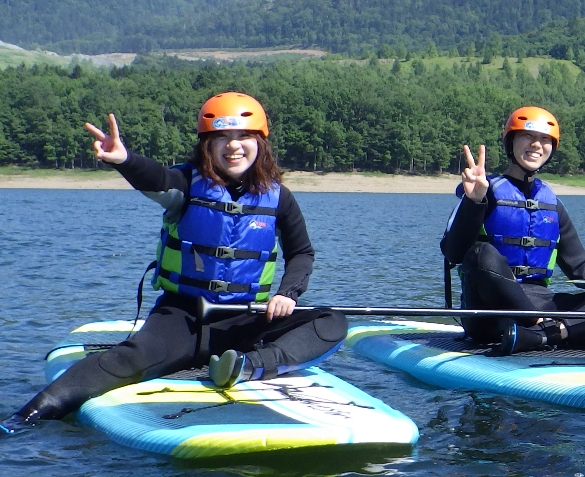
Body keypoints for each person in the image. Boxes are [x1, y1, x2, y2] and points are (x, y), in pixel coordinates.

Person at [2, 93, 347, 433]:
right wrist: (124, 160)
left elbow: (301, 253)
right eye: (221, 138)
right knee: (130, 358)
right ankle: (23, 419)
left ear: (259, 142)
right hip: (181, 317)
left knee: (331, 322)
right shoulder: (185, 183)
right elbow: (156, 179)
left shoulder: (279, 198)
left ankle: (247, 367)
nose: (233, 146)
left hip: (243, 319)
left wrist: (288, 293)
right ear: (207, 146)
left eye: (243, 136)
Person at [440, 106, 585, 354]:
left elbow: (583, 271)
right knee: (482, 253)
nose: (537, 145)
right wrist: (474, 202)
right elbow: (454, 254)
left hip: (541, 305)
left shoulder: (553, 204)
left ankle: (547, 333)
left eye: (545, 139)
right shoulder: (484, 191)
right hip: (488, 311)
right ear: (511, 142)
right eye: (528, 136)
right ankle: (567, 330)